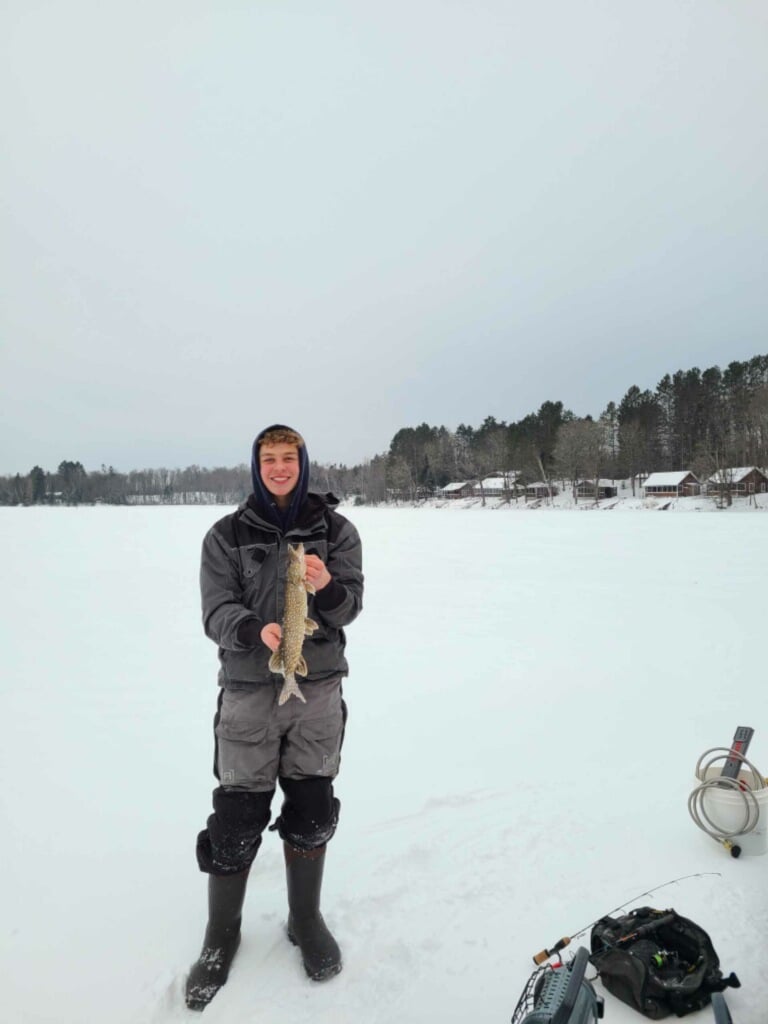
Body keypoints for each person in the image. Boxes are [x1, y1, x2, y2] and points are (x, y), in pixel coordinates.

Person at [186, 425, 364, 1011]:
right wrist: (251, 629)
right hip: (247, 690)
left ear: (303, 462)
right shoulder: (226, 535)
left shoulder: (337, 532)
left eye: (289, 458)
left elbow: (348, 609)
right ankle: (221, 936)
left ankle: (305, 918)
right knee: (236, 816)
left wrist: (326, 582)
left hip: (316, 692)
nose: (280, 468)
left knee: (312, 807)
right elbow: (216, 611)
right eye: (270, 459)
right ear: (256, 465)